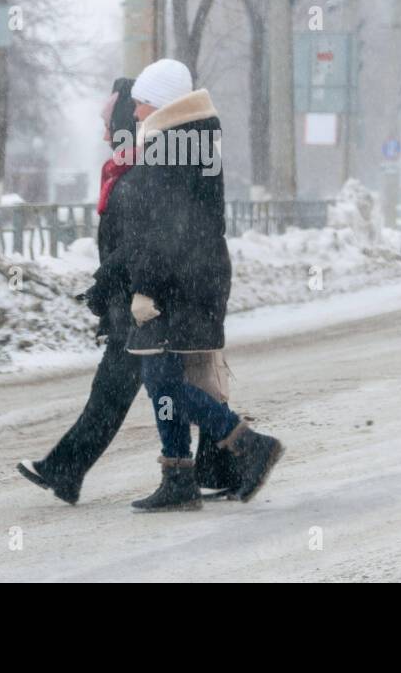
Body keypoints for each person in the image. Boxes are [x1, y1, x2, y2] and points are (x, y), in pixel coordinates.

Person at [17, 78, 240, 503]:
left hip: (150, 295)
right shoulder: (131, 165)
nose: (104, 133)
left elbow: (145, 239)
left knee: (148, 387)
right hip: (146, 291)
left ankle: (239, 454)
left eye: (110, 123)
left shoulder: (151, 165)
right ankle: (220, 465)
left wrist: (119, 288)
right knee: (167, 384)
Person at [108, 58, 284, 511]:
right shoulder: (194, 139)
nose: (138, 112)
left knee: (161, 378)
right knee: (164, 374)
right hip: (196, 274)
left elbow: (163, 228)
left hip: (176, 280)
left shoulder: (171, 146)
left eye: (143, 103)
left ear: (162, 104)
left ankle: (244, 444)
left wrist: (146, 287)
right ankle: (180, 477)